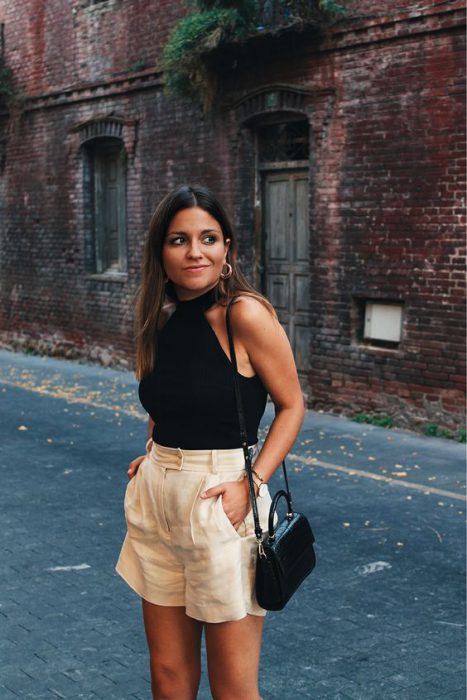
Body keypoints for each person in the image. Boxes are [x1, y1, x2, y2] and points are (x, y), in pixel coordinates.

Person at [115, 184, 304, 700]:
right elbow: (164, 400)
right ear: (161, 252)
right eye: (179, 240)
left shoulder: (243, 315)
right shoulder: (159, 317)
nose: (194, 251)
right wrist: (157, 448)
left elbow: (293, 406)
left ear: (227, 251)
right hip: (159, 498)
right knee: (168, 678)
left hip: (226, 501)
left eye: (208, 238)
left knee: (234, 690)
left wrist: (252, 482)